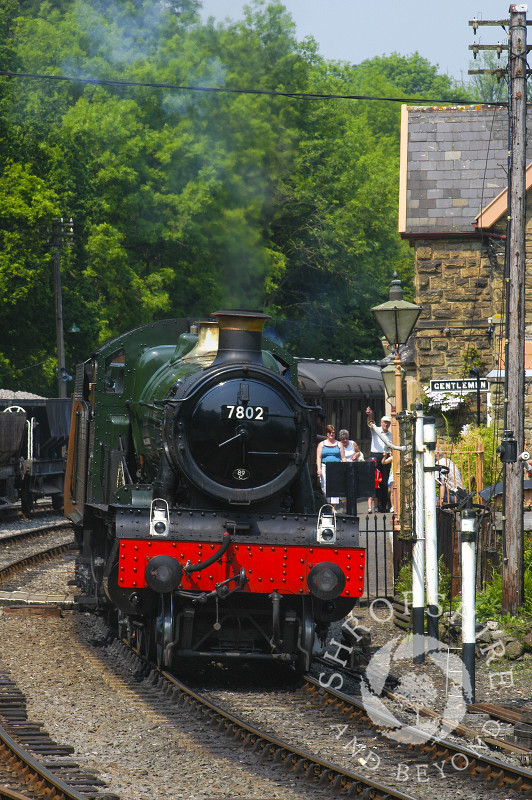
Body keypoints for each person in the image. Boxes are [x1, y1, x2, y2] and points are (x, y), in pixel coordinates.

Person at [366, 407, 393, 513]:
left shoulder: (391, 435)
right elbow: (369, 423)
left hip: (386, 456)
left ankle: (384, 504)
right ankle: (375, 505)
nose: (386, 425)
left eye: (388, 423)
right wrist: (369, 415)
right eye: (385, 422)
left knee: (386, 480)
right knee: (375, 481)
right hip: (376, 456)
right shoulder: (376, 430)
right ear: (381, 423)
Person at [316, 424, 346, 503]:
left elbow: (343, 457)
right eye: (329, 432)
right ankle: (327, 504)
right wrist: (318, 469)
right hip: (325, 466)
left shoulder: (339, 444)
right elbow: (318, 457)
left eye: (333, 432)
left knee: (335, 487)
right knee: (325, 487)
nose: (331, 434)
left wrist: (345, 467)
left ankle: (334, 507)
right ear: (327, 434)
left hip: (336, 466)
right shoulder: (321, 444)